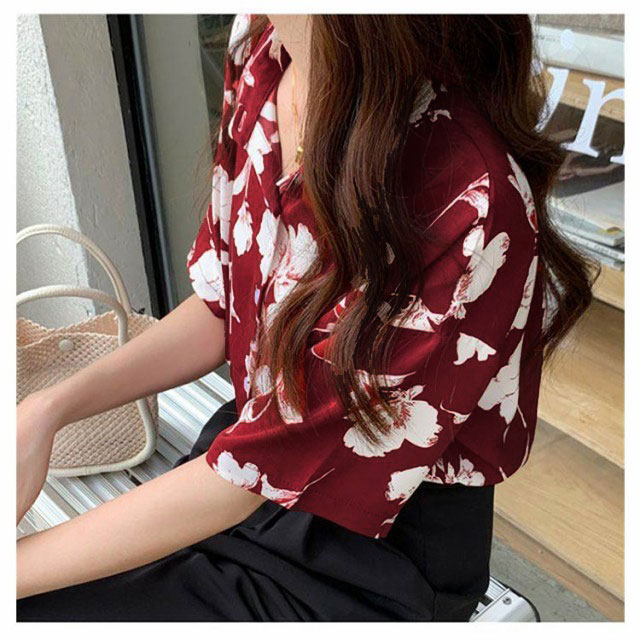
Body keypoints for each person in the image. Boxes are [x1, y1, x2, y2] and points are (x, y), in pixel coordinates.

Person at [16, 14, 595, 621]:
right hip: (244, 461)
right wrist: (48, 410)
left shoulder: (464, 197)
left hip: (365, 562)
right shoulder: (266, 52)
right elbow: (222, 306)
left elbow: (244, 482)